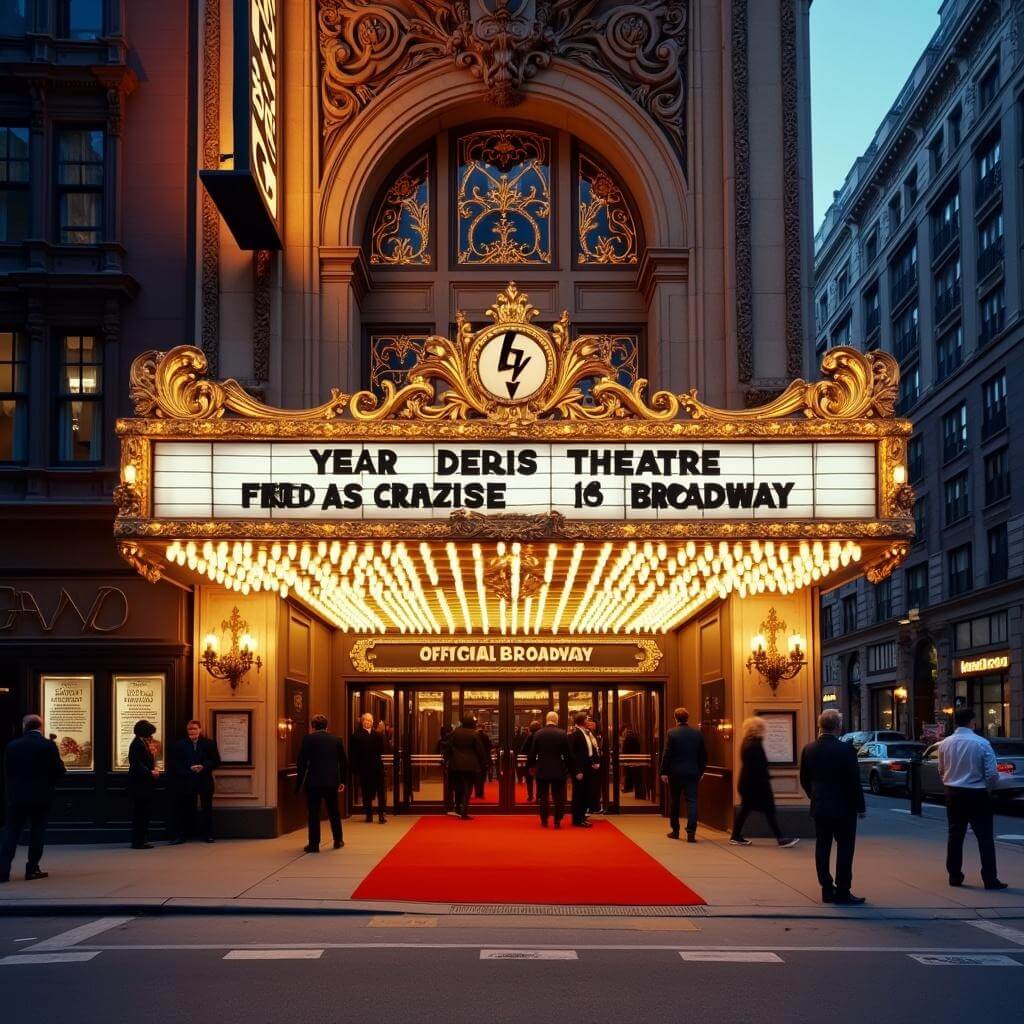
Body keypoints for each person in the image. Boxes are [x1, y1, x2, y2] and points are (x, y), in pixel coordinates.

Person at [799, 709, 866, 905]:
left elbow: (804, 779)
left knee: (822, 846)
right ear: (838, 726)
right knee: (845, 848)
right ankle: (843, 889)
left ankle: (826, 888)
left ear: (820, 725)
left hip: (820, 805)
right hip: (844, 807)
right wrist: (860, 806)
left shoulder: (809, 749)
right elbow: (854, 781)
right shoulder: (846, 750)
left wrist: (815, 796)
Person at [938, 706, 1008, 891]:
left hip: (953, 792)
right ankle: (990, 879)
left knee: (955, 835)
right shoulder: (981, 743)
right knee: (984, 837)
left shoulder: (945, 744)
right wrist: (988, 789)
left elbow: (941, 769)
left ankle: (954, 876)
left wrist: (949, 782)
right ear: (972, 721)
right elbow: (992, 773)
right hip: (977, 793)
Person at [0, 714, 65, 883]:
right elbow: (59, 770)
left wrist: (10, 794)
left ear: (24, 726)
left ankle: (3, 870)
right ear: (40, 727)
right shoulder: (48, 746)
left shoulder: (12, 746)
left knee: (11, 831)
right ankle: (32, 868)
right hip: (41, 797)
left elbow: (7, 773)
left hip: (17, 797)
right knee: (37, 831)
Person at [730, 717, 799, 848]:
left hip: (748, 783)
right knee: (768, 811)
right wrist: (766, 780)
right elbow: (759, 767)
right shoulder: (755, 745)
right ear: (759, 729)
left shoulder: (747, 742)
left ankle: (735, 836)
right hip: (756, 785)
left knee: (748, 809)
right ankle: (780, 838)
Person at [295, 714, 348, 853]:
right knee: (334, 812)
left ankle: (314, 844)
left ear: (312, 726)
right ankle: (338, 840)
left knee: (313, 813)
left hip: (313, 782)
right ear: (326, 726)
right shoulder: (336, 740)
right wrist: (342, 780)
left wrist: (300, 780)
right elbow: (343, 762)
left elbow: (301, 761)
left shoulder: (308, 739)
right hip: (331, 782)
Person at [169, 719, 221, 844]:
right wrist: (188, 770)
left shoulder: (209, 744)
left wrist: (203, 766)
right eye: (189, 729)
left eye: (194, 729)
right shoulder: (180, 745)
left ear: (200, 729)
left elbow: (216, 761)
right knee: (185, 809)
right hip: (186, 781)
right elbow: (175, 764)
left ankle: (208, 835)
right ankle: (182, 836)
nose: (192, 731)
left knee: (206, 809)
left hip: (204, 780)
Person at [660, 707, 707, 842]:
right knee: (692, 801)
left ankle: (675, 831)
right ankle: (691, 832)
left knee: (675, 802)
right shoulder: (697, 733)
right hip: (692, 772)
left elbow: (667, 754)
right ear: (688, 718)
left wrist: (663, 771)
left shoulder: (672, 733)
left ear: (675, 718)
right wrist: (701, 771)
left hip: (675, 773)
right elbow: (703, 755)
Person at [526, 711, 571, 828]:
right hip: (558, 768)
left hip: (542, 768)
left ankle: (544, 820)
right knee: (558, 796)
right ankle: (557, 820)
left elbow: (532, 753)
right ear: (556, 720)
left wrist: (531, 766)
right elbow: (568, 754)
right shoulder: (562, 734)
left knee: (543, 795)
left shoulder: (539, 734)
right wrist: (567, 768)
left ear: (547, 719)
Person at [445, 715, 488, 820]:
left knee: (457, 787)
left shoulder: (455, 732)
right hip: (471, 765)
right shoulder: (474, 734)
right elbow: (479, 750)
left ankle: (457, 807)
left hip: (455, 764)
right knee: (467, 789)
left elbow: (448, 747)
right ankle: (464, 811)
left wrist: (447, 760)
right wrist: (484, 763)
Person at [127, 719, 160, 850]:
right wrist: (150, 772)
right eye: (149, 733)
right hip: (140, 784)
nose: (151, 736)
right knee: (141, 813)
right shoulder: (137, 744)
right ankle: (139, 841)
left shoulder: (142, 742)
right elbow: (136, 764)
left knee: (143, 812)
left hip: (143, 783)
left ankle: (141, 840)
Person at [350, 712, 387, 823]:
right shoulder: (356, 735)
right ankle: (369, 814)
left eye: (370, 721)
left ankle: (381, 815)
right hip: (364, 768)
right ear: (362, 722)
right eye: (366, 720)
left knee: (381, 792)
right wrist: (354, 768)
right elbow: (353, 753)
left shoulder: (377, 735)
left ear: (372, 722)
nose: (368, 722)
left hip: (377, 767)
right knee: (366, 792)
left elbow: (381, 750)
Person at [569, 712, 599, 828]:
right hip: (580, 770)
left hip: (588, 768)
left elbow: (590, 750)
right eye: (587, 719)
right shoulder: (575, 734)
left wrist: (594, 762)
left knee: (586, 793)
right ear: (582, 721)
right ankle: (577, 820)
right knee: (579, 795)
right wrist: (577, 771)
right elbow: (572, 755)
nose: (589, 721)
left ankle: (582, 817)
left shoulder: (587, 733)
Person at [585, 716, 604, 815]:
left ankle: (596, 806)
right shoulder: (586, 735)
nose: (590, 724)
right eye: (588, 723)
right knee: (590, 787)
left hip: (598, 764)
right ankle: (591, 806)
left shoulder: (598, 735)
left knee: (596, 787)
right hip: (590, 765)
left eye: (591, 723)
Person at [520, 720, 542, 802]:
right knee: (539, 780)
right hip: (539, 761)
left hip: (530, 761)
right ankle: (538, 796)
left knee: (529, 780)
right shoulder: (541, 736)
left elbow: (523, 749)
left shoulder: (529, 736)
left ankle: (530, 796)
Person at [474, 720, 493, 799]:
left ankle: (476, 792)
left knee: (475, 777)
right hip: (484, 759)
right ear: (483, 727)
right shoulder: (486, 736)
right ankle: (481, 793)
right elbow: (489, 747)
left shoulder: (474, 735)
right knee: (482, 777)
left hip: (475, 759)